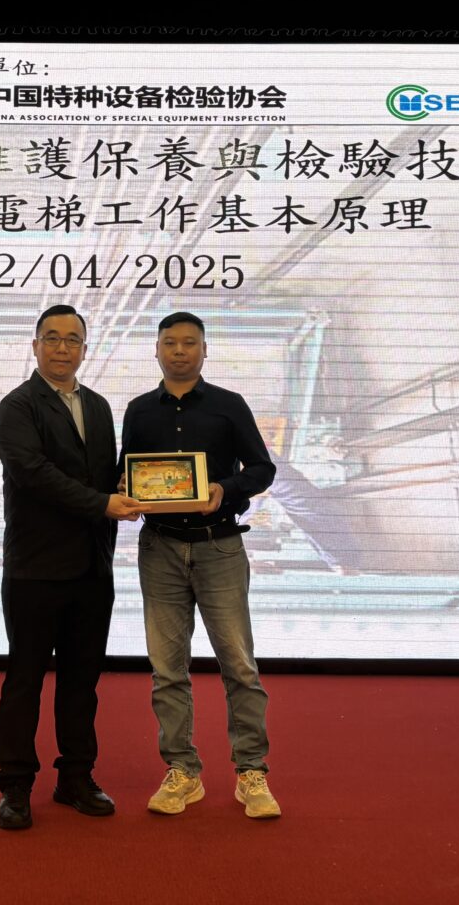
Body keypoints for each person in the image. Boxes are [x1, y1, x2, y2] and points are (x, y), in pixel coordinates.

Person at [120, 311, 282, 820]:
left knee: (240, 666)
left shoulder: (229, 405)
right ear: (156, 350)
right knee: (167, 670)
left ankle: (251, 772)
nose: (179, 351)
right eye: (170, 342)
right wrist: (125, 489)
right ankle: (182, 771)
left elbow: (263, 469)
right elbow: (127, 471)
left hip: (220, 547)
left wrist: (224, 489)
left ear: (204, 350)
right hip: (160, 549)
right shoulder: (139, 410)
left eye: (189, 342)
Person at [0, 304, 144, 830]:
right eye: (52, 338)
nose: (62, 347)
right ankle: (15, 787)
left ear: (84, 348)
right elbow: (33, 474)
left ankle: (76, 777)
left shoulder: (97, 406)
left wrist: (138, 486)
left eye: (72, 339)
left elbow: (105, 475)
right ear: (35, 346)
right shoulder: (17, 406)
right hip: (34, 569)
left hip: (92, 571)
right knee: (24, 682)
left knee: (82, 684)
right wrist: (102, 503)